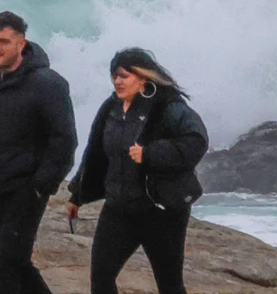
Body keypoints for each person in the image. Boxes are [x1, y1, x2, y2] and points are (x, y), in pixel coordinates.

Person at [65, 48, 209, 294]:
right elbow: (96, 154)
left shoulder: (168, 107)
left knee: (169, 284)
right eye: (114, 76)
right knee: (100, 279)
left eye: (124, 76)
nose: (117, 82)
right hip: (119, 210)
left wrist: (151, 154)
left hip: (161, 212)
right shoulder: (111, 108)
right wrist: (77, 194)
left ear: (143, 78)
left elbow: (196, 141)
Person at [0, 11, 78, 294]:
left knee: (7, 261)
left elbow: (64, 141)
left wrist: (41, 186)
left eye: (4, 41)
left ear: (21, 44)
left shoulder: (48, 84)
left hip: (25, 190)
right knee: (8, 262)